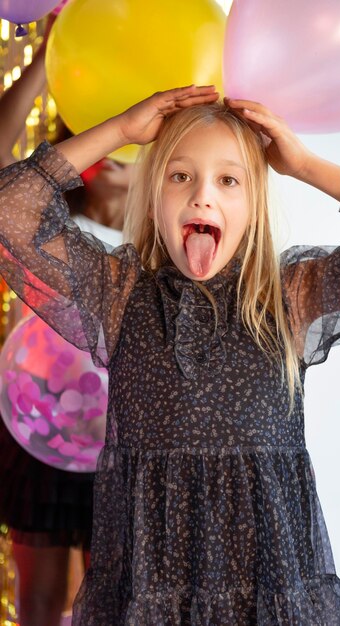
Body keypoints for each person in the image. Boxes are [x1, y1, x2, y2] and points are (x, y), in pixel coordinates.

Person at [0, 84, 340, 625]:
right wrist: (119, 132)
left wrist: (304, 164)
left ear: (255, 200)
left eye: (228, 180)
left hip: (270, 596)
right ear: (154, 196)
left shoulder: (287, 297)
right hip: (150, 596)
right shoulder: (120, 293)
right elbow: (11, 210)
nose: (202, 197)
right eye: (180, 176)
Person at [0, 15, 132, 626]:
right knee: (40, 601)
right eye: (103, 136)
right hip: (37, 422)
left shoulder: (158, 237)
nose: (117, 158)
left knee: (108, 603)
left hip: (125, 436)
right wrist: (42, 63)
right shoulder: (42, 219)